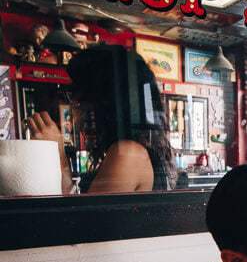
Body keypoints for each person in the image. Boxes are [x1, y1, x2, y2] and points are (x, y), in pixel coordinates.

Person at [27, 45, 176, 194]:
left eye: (77, 96)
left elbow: (82, 216)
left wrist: (58, 156)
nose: (75, 108)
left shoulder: (128, 154)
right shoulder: (138, 148)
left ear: (103, 102)